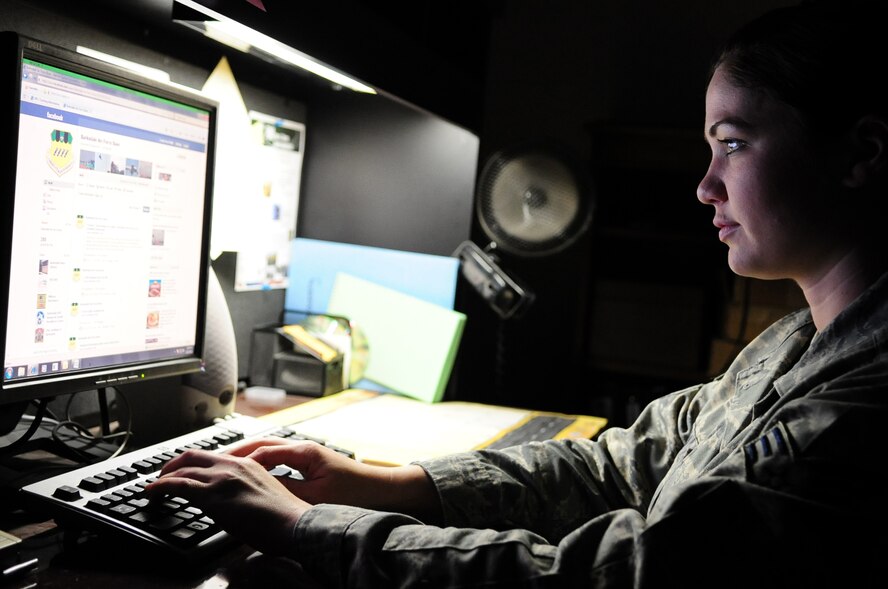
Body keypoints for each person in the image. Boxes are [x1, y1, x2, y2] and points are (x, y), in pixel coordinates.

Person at [148, 1, 888, 586]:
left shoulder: (863, 403)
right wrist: (382, 481)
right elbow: (624, 464)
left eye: (732, 142)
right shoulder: (791, 343)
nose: (704, 186)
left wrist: (306, 528)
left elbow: (616, 576)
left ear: (860, 154)